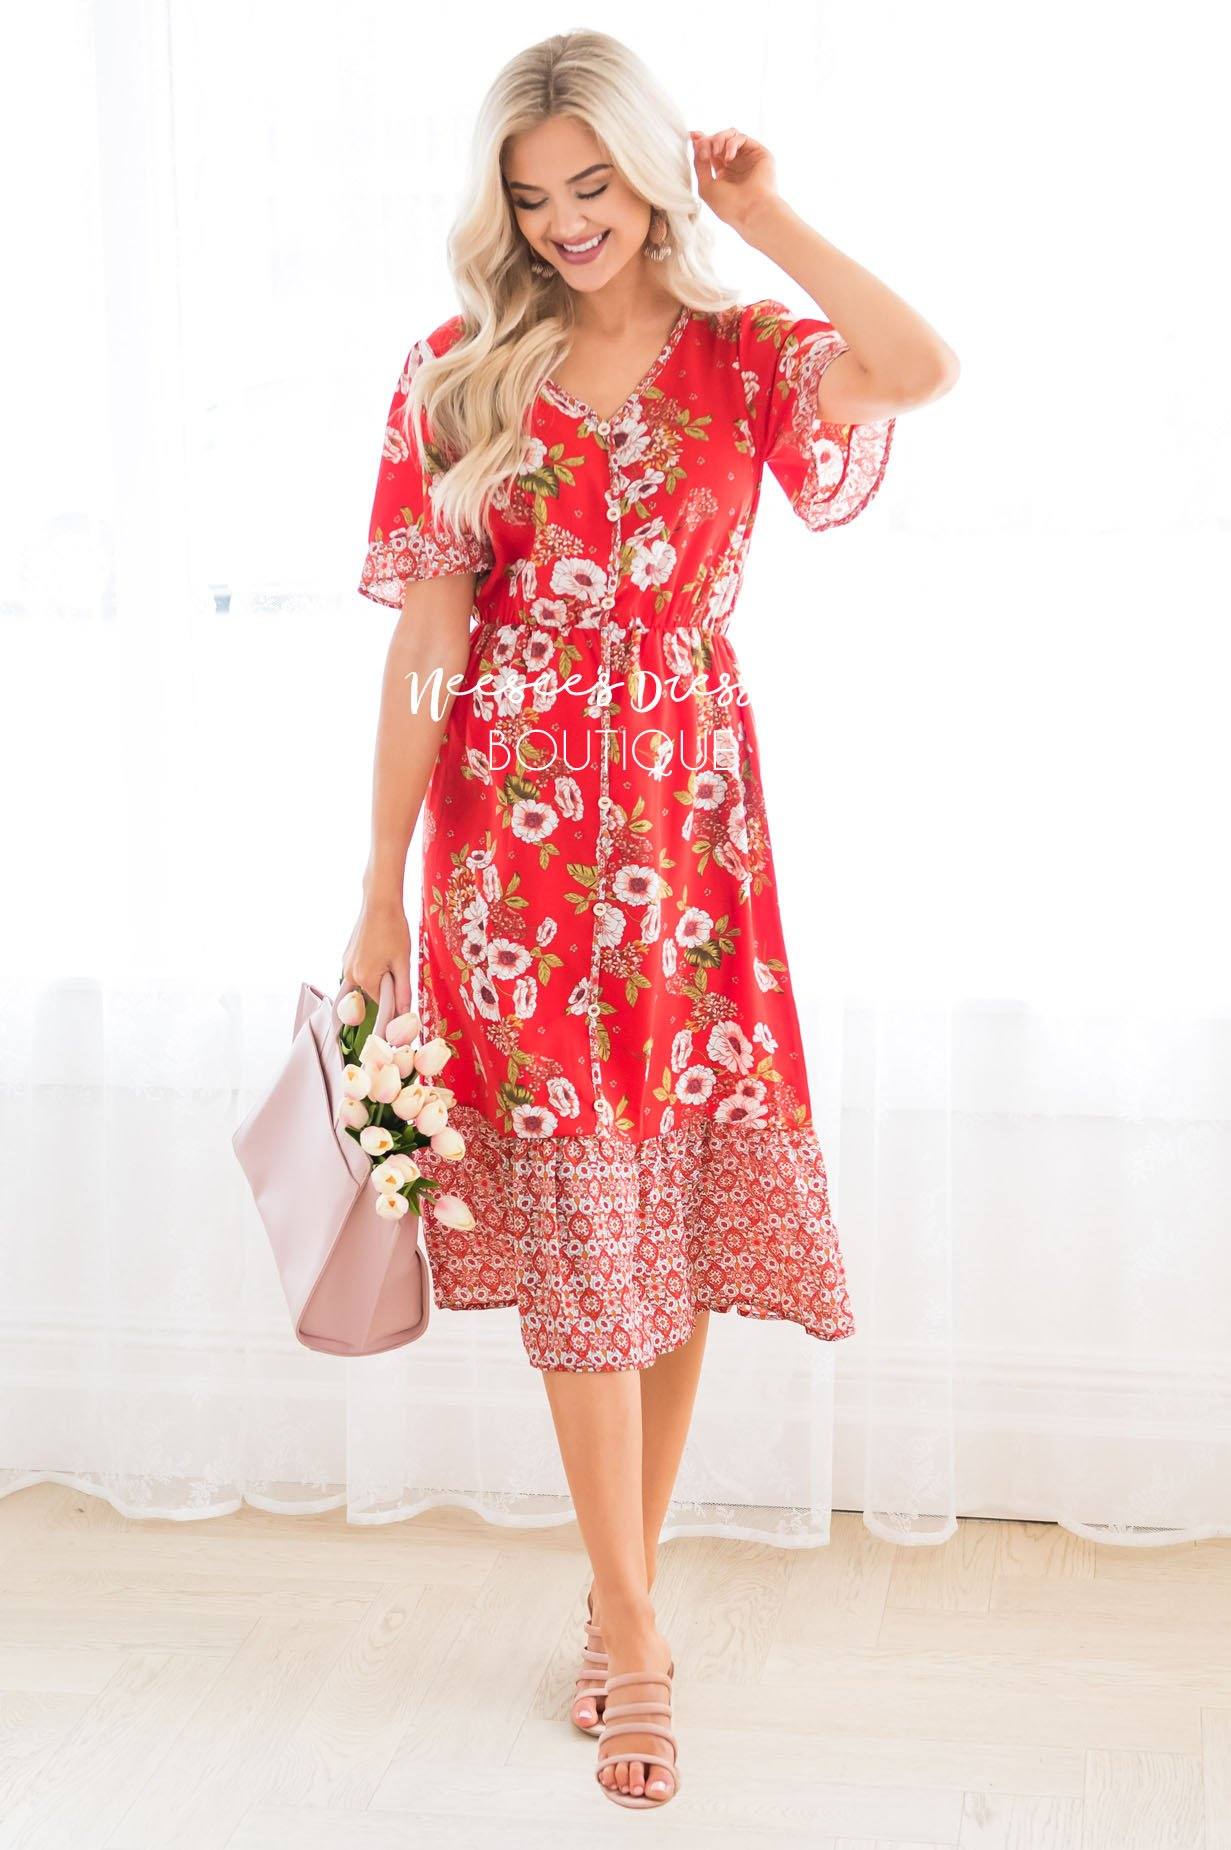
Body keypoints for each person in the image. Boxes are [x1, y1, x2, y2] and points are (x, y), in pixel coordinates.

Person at [343, 27, 959, 1811]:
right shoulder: (457, 372)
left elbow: (919, 367)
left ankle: (626, 1600)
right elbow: (427, 641)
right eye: (532, 196)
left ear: (650, 169)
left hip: (691, 844)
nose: (564, 223)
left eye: (594, 185)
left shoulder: (744, 355)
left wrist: (767, 219)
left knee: (663, 1225)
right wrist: (375, 880)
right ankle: (632, 1627)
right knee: (583, 1244)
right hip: (517, 855)